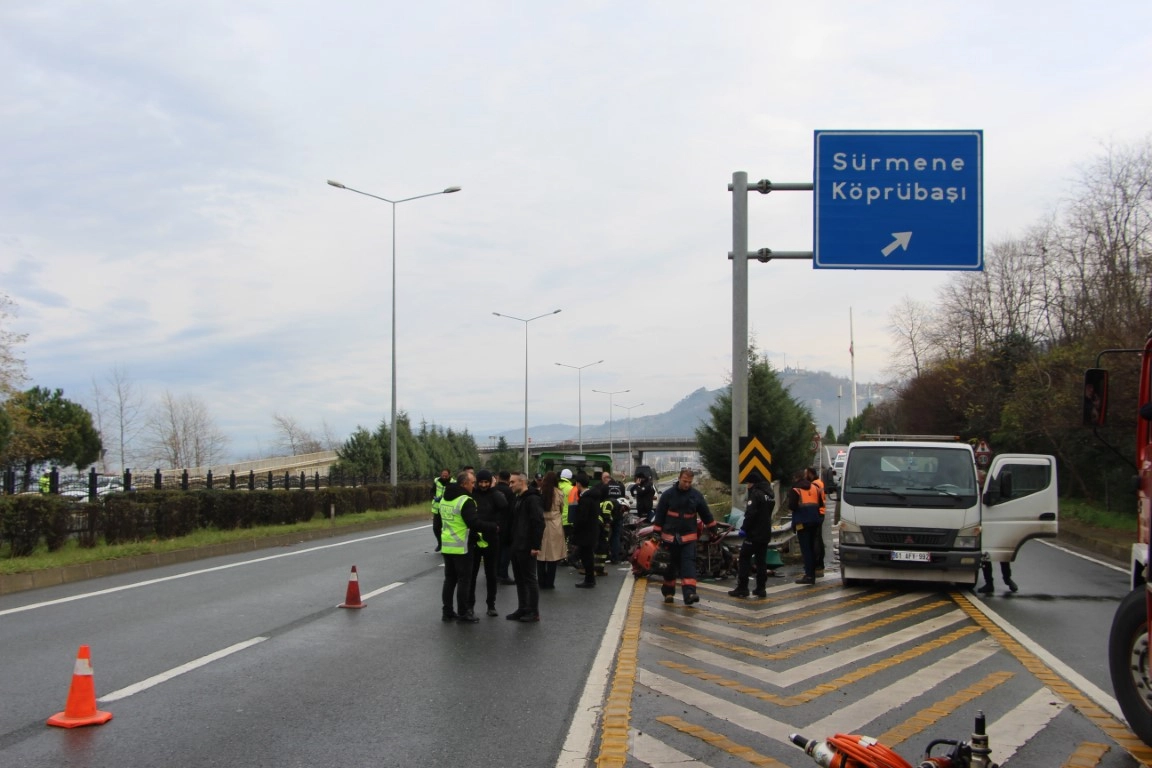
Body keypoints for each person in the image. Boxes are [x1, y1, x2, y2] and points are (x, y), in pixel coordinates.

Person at [437, 470, 496, 622]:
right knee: (464, 581)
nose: (474, 485)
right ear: (464, 484)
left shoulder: (445, 499)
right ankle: (464, 613)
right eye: (472, 482)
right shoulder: (465, 500)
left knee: (449, 580)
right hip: (462, 546)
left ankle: (447, 611)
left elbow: (438, 522)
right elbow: (474, 523)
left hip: (447, 545)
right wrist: (492, 527)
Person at [652, 468, 717, 605]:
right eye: (684, 481)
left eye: (689, 482)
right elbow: (660, 514)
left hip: (688, 539)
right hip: (669, 539)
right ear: (679, 478)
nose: (687, 484)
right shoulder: (668, 495)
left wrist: (713, 529)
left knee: (688, 566)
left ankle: (690, 594)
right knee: (669, 567)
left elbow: (706, 514)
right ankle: (669, 592)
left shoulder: (696, 496)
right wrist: (656, 532)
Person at [467, 470, 507, 617]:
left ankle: (491, 605)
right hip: (474, 538)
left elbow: (504, 511)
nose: (483, 485)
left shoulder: (495, 495)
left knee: (491, 574)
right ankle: (470, 605)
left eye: (486, 482)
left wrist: (498, 528)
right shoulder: (472, 495)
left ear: (490, 482)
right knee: (472, 574)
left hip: (491, 539)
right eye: (481, 482)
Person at [728, 474, 776, 597]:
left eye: (748, 483)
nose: (747, 486)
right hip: (765, 533)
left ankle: (742, 588)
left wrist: (744, 528)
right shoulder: (769, 495)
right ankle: (761, 588)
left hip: (754, 534)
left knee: (744, 558)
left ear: (753, 483)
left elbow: (750, 513)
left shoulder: (756, 494)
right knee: (761, 562)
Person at [506, 471, 545, 621]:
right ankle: (522, 608)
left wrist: (536, 545)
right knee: (519, 579)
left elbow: (538, 522)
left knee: (529, 579)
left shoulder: (532, 499)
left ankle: (533, 611)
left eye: (512, 482)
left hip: (527, 545)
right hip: (517, 544)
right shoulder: (519, 499)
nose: (510, 485)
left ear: (522, 482)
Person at [788, 470, 825, 585]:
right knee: (812, 547)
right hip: (814, 521)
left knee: (806, 549)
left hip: (801, 523)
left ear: (795, 478)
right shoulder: (814, 488)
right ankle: (812, 573)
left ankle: (809, 575)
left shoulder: (795, 490)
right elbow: (820, 503)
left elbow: (792, 506)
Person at [536, 471, 566, 589]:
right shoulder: (559, 493)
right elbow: (561, 508)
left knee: (541, 554)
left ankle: (541, 581)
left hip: (542, 524)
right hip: (555, 524)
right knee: (553, 555)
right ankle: (550, 582)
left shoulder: (540, 492)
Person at [570, 473, 601, 588]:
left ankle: (589, 579)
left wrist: (575, 528)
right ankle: (589, 578)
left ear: (578, 484)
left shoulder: (585, 499)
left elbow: (582, 518)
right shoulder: (592, 496)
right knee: (587, 555)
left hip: (586, 532)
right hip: (592, 530)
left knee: (587, 557)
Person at [495, 470, 517, 584]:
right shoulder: (510, 492)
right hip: (507, 524)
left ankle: (495, 573)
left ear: (498, 477)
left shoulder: (493, 490)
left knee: (496, 551)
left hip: (494, 524)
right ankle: (503, 574)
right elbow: (512, 510)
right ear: (509, 478)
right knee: (506, 550)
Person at [805, 467, 827, 577]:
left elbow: (814, 500)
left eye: (806, 474)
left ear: (810, 474)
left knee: (816, 540)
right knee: (818, 539)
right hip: (821, 512)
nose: (805, 476)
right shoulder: (819, 483)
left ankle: (818, 564)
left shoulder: (815, 485)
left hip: (817, 513)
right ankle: (819, 564)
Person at [602, 471, 627, 563]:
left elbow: (602, 501)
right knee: (616, 536)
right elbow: (623, 499)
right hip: (618, 514)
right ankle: (615, 557)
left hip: (607, 515)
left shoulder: (604, 487)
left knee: (604, 535)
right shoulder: (621, 486)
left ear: (606, 479)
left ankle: (604, 555)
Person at [430, 468, 450, 552]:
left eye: (446, 475)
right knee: (436, 528)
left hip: (447, 509)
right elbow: (432, 491)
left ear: (449, 475)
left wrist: (442, 498)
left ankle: (447, 545)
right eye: (443, 475)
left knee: (447, 529)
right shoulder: (436, 481)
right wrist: (434, 496)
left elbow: (452, 494)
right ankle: (440, 543)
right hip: (437, 509)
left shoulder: (453, 482)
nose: (444, 476)